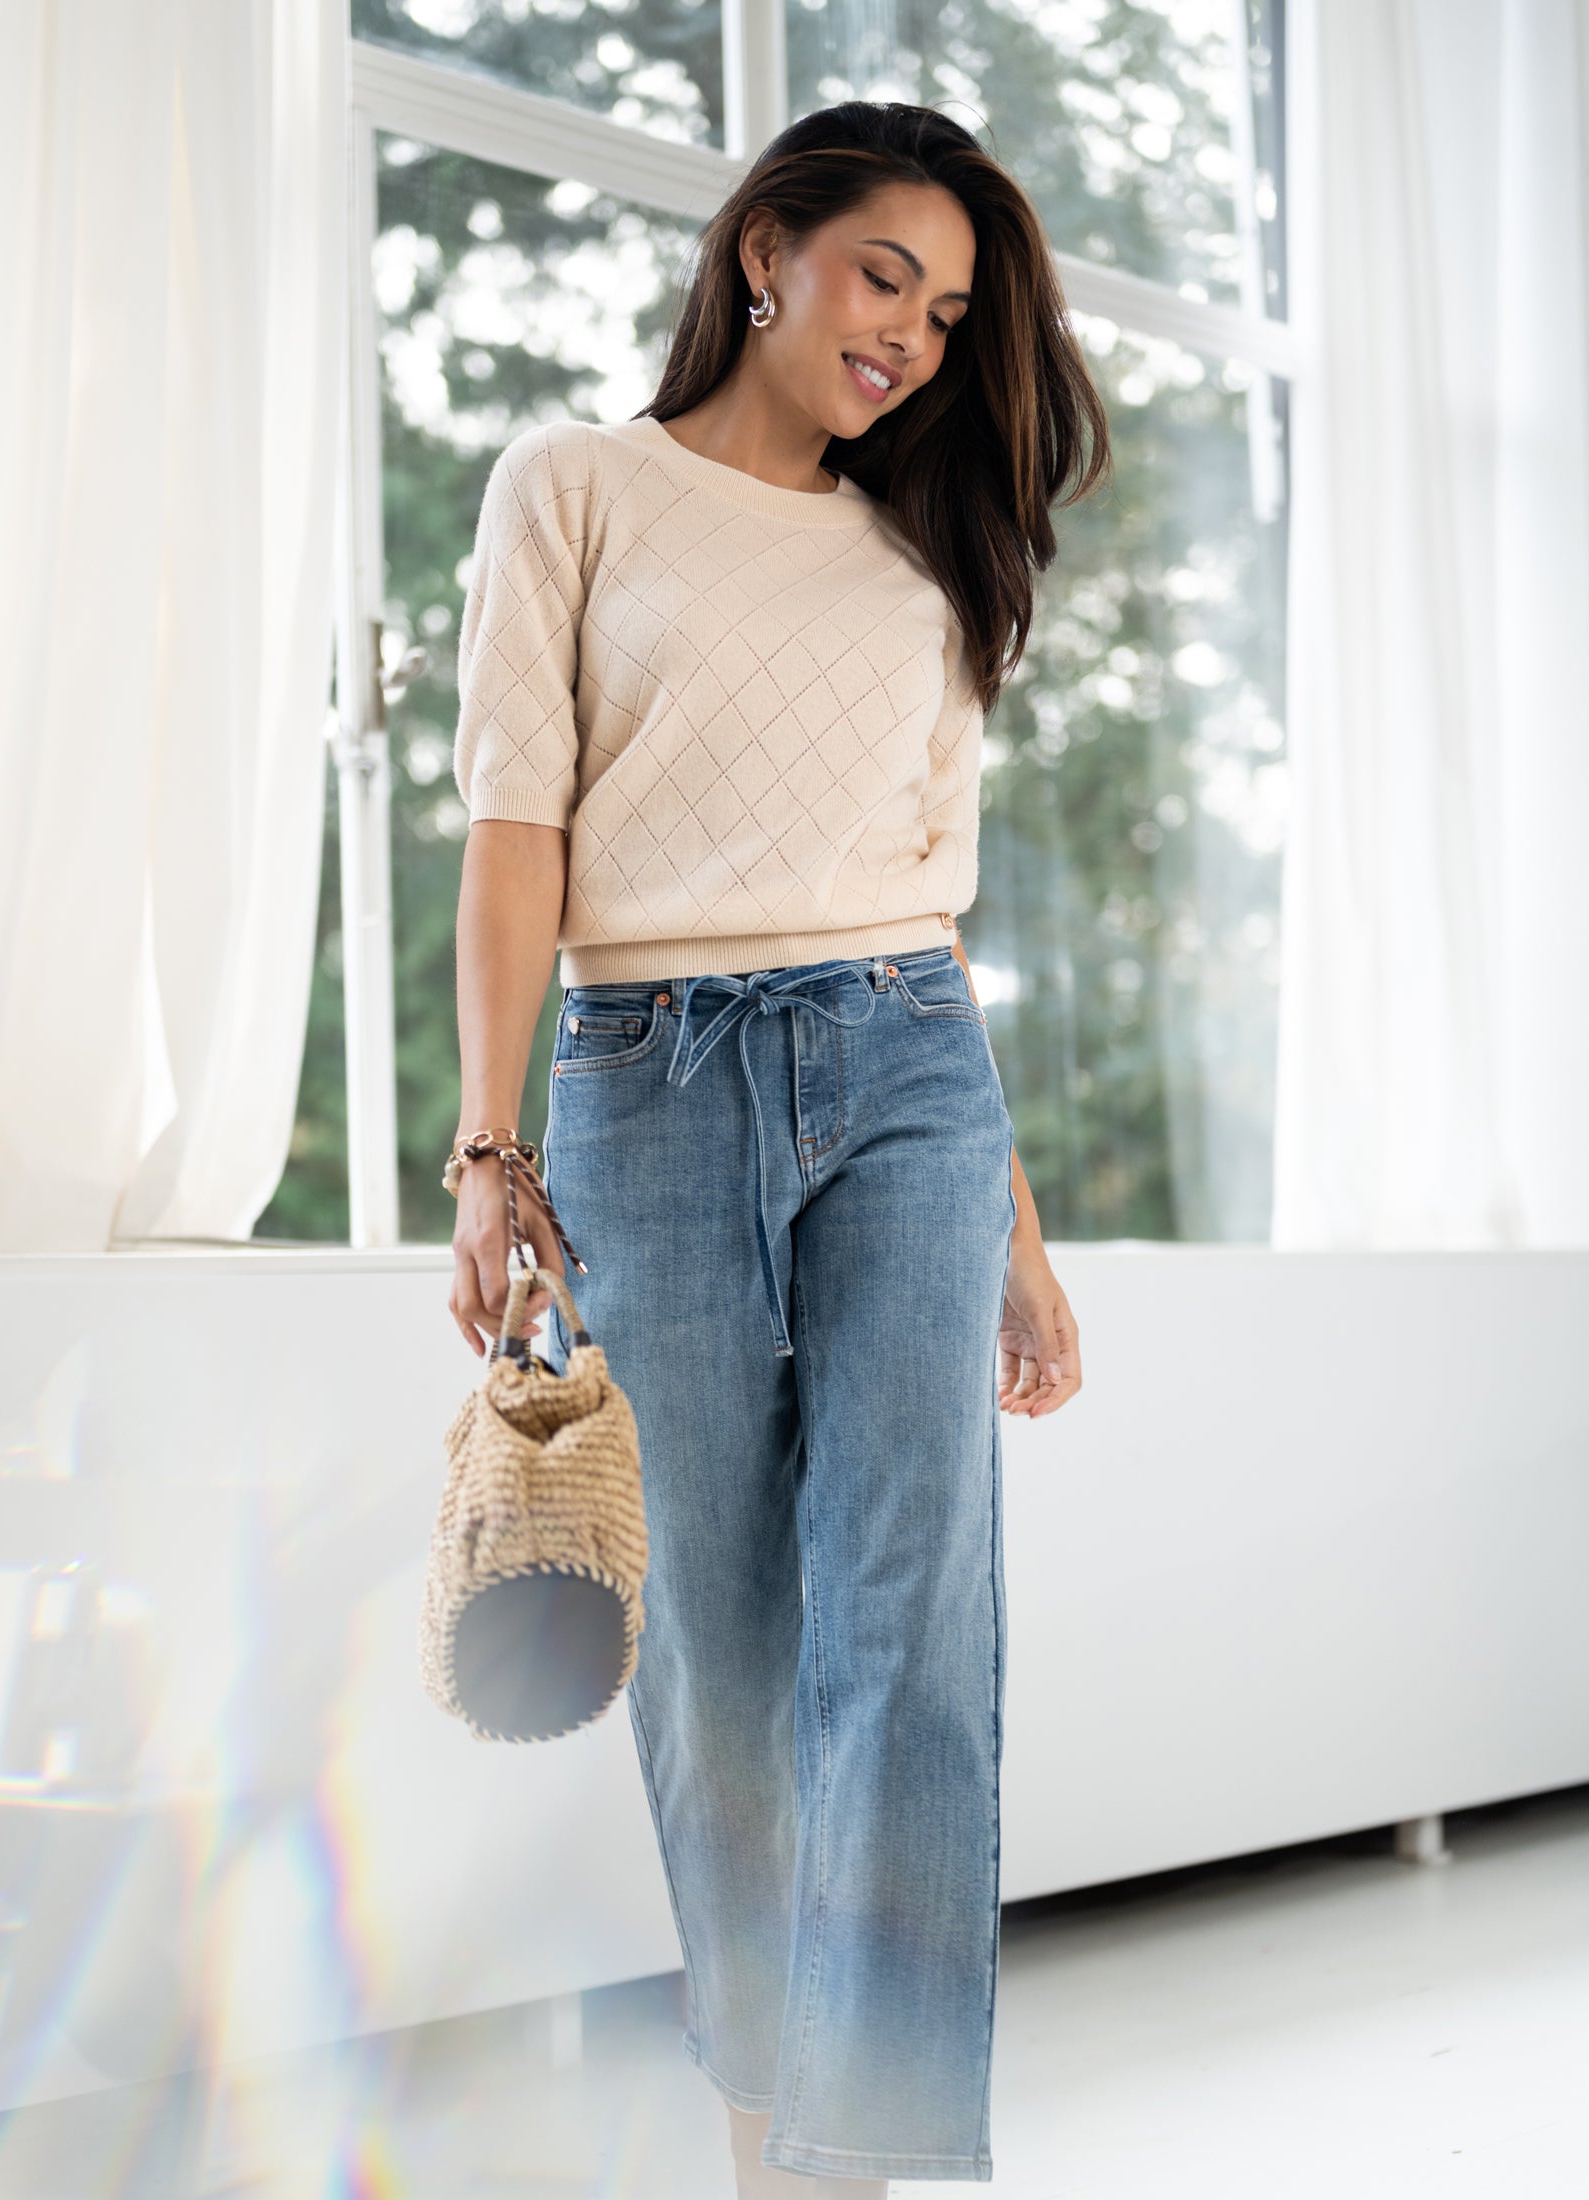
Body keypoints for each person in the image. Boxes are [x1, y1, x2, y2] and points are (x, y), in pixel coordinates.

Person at [444, 99, 1108, 2192]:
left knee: (914, 1627)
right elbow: (512, 835)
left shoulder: (925, 563)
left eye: (950, 309)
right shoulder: (574, 489)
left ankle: (876, 2146)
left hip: (908, 1073)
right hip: (643, 1079)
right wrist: (485, 1150)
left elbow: (928, 901)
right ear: (766, 251)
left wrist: (1015, 1226)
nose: (910, 333)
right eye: (882, 275)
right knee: (719, 1652)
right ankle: (769, 2141)